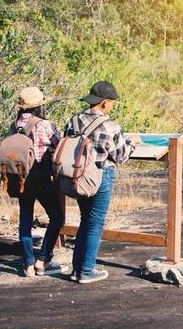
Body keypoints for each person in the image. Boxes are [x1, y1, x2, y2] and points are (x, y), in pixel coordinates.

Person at [64, 81, 140, 284]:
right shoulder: (110, 125)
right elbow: (120, 156)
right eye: (112, 103)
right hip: (100, 176)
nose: (113, 106)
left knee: (85, 220)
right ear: (105, 103)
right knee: (95, 223)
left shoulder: (73, 121)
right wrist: (133, 143)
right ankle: (86, 270)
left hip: (77, 177)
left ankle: (77, 269)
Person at [14, 87, 67, 277]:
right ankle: (43, 260)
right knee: (57, 217)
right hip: (41, 177)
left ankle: (28, 264)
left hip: (21, 179)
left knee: (25, 220)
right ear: (39, 106)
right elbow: (60, 145)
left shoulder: (16, 124)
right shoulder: (44, 125)